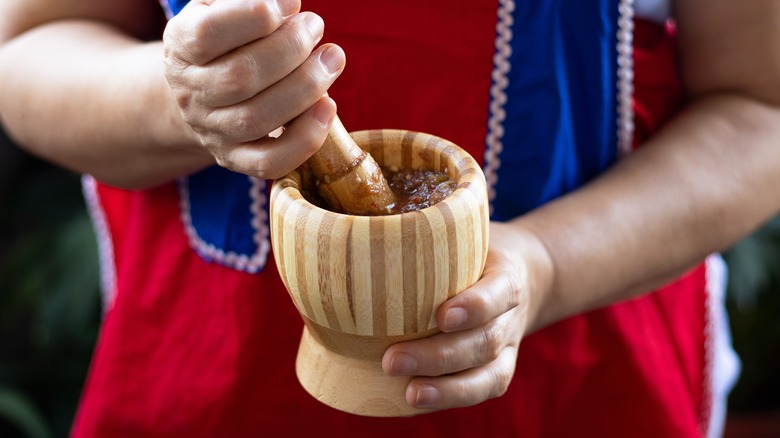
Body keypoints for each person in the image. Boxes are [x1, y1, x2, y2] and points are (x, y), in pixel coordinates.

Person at [0, 0, 778, 436]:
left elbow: (760, 109)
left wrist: (546, 264)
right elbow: (30, 46)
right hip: (208, 382)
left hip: (585, 386)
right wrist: (182, 99)